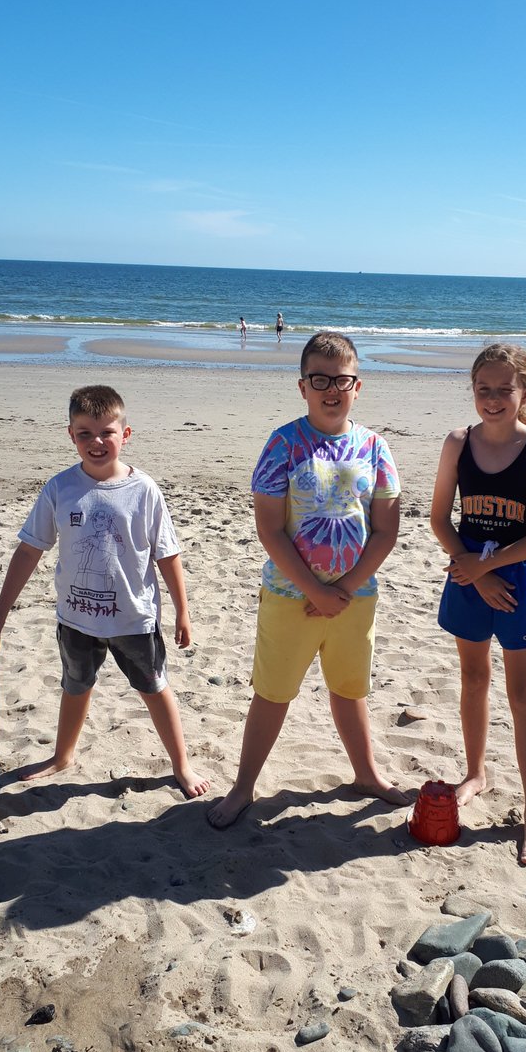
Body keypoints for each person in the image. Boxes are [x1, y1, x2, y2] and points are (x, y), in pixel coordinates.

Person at [207, 331, 408, 828]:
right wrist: (315, 589)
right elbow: (269, 528)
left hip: (355, 600)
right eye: (320, 379)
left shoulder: (374, 447)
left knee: (348, 689)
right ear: (303, 387)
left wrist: (343, 589)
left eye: (342, 380)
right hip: (289, 597)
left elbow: (385, 530)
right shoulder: (284, 443)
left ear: (357, 386)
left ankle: (367, 774)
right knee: (273, 693)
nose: (331, 389)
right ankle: (244, 787)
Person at [0, 384, 210, 797]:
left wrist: (183, 613)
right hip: (76, 618)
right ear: (71, 435)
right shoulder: (59, 489)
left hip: (133, 618)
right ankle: (63, 755)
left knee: (154, 687)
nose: (96, 442)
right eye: (84, 433)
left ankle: (182, 764)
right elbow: (30, 550)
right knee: (75, 685)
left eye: (106, 432)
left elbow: (168, 556)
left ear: (126, 434)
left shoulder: (144, 490)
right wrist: (0, 612)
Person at [429, 344, 526, 866]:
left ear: (524, 394)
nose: (491, 399)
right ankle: (476, 772)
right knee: (472, 679)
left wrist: (489, 568)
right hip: (467, 570)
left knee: (523, 694)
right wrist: (471, 567)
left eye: (503, 390)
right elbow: (440, 518)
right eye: (482, 389)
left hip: (518, 576)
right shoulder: (457, 443)